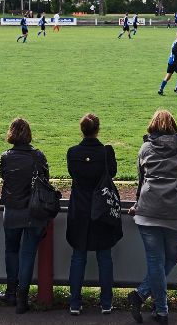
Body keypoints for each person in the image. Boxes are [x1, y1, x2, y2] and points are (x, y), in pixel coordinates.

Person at [127, 110, 177, 325]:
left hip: (148, 211)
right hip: (176, 212)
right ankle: (157, 307)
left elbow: (140, 181)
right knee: (169, 260)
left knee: (156, 262)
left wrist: (137, 204)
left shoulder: (145, 148)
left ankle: (144, 298)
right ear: (174, 125)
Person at [66, 113, 122, 316]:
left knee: (78, 256)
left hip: (79, 209)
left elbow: (74, 173)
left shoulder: (72, 153)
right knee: (104, 256)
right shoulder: (106, 153)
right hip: (102, 209)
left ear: (82, 130)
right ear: (97, 130)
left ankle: (74, 302)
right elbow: (112, 173)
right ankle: (106, 302)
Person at [0, 118, 50, 314]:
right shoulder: (38, 156)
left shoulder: (6, 157)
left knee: (11, 251)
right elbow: (45, 180)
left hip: (12, 210)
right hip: (34, 211)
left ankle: (11, 292)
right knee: (27, 254)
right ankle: (22, 297)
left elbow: (5, 178)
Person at [158, 32, 177, 96]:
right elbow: (174, 50)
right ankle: (176, 89)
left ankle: (160, 89)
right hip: (175, 63)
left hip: (170, 61)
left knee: (168, 76)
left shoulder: (175, 42)